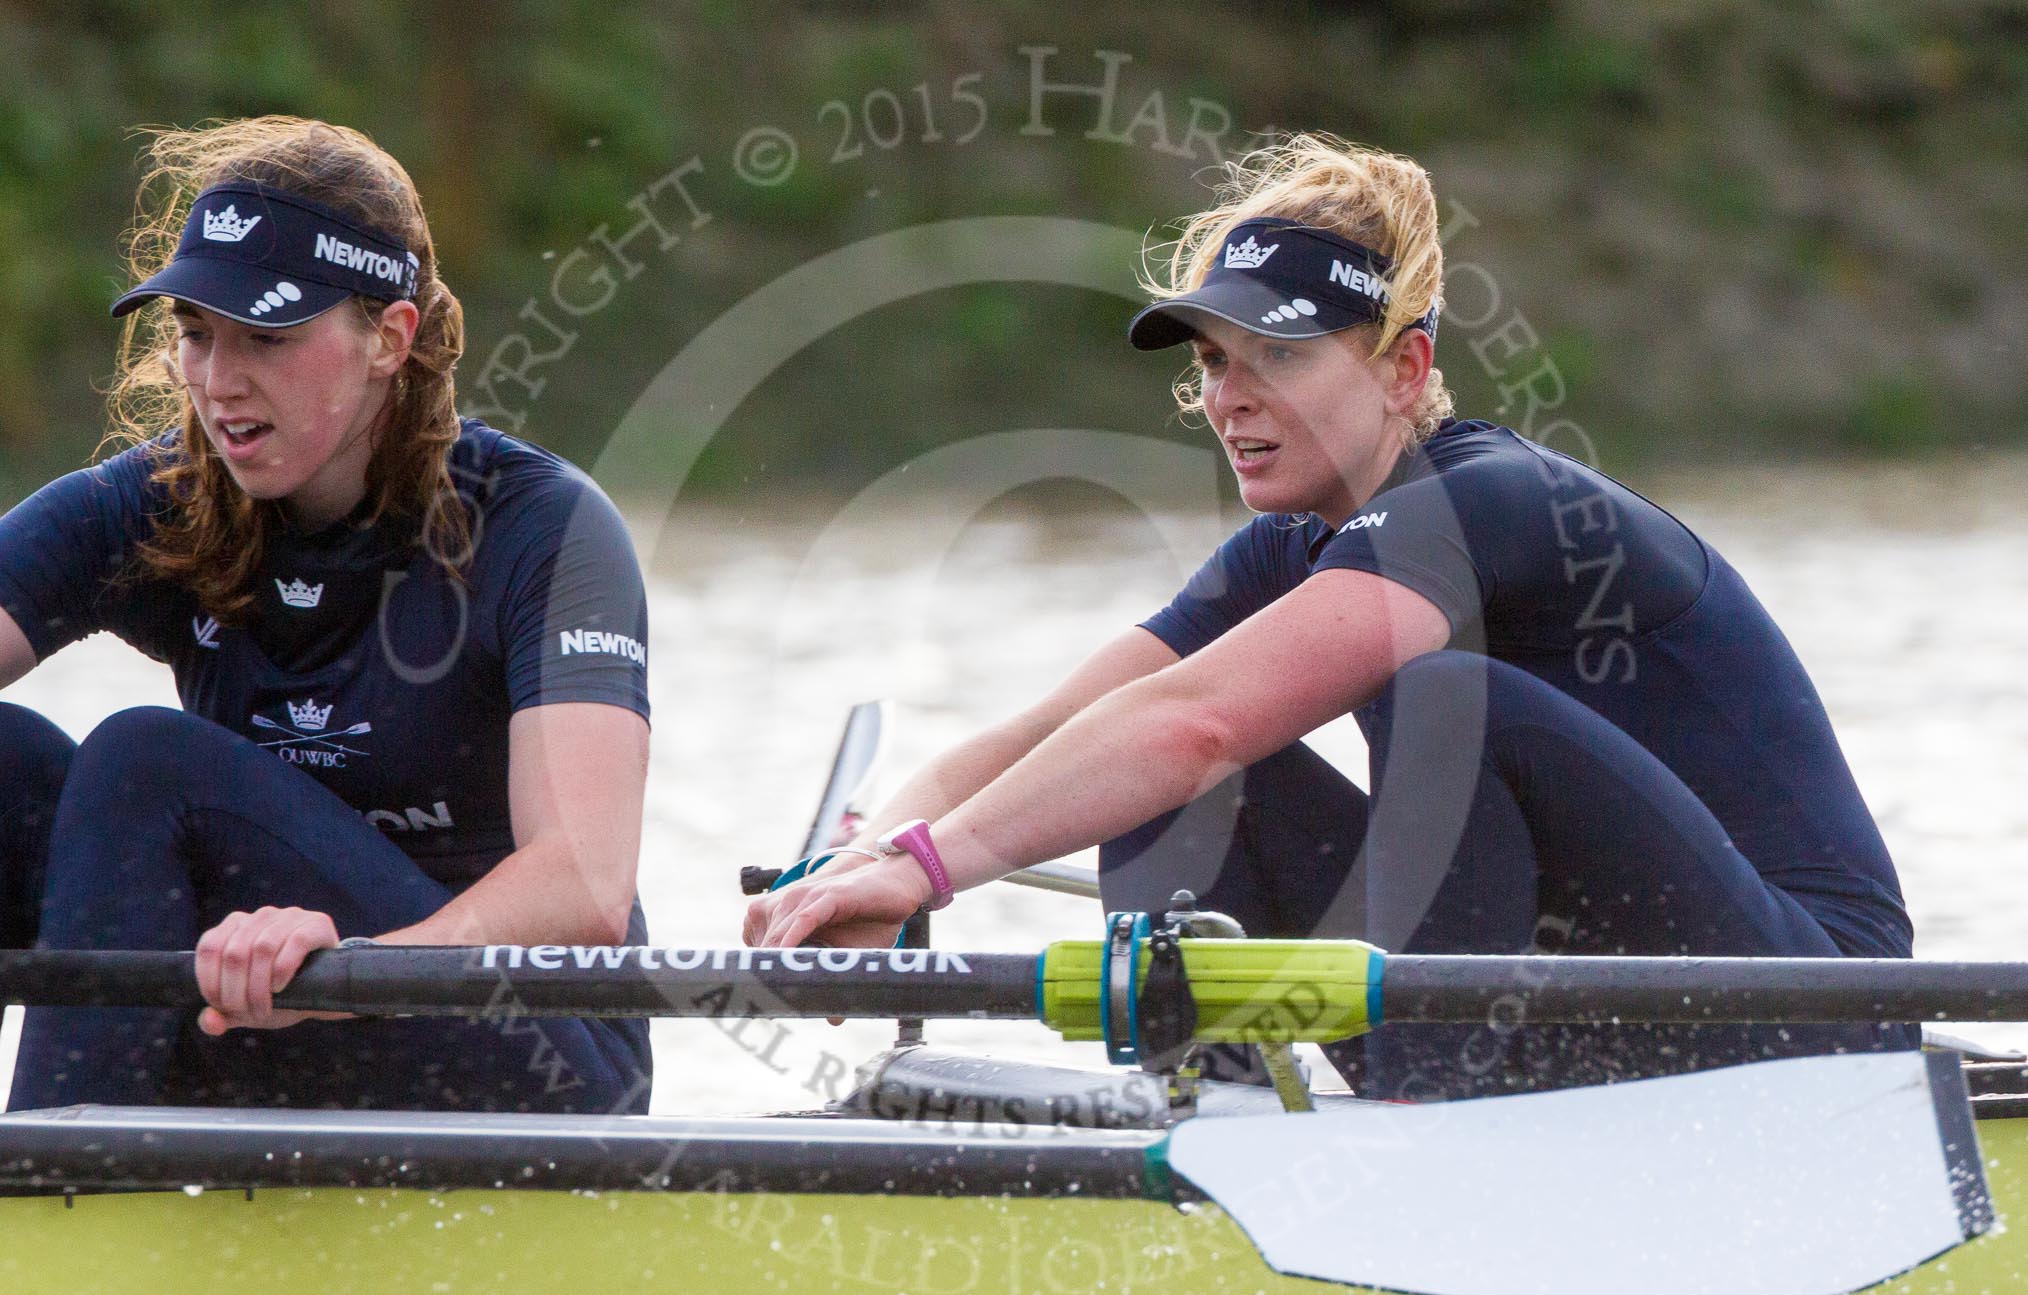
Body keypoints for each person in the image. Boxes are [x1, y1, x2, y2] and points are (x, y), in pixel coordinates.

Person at [744, 134, 1914, 1101]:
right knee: (1143, 766)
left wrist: (925, 868)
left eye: (1279, 354)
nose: (1229, 396)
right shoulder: (1293, 547)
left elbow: (1195, 720)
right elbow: (1056, 732)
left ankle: (1419, 1129)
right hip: (1575, 1011)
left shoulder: (1497, 503)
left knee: (1420, 695)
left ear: (1406, 371)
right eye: (1213, 359)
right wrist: (855, 869)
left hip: (1809, 1014)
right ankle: (1208, 1115)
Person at [0, 117, 653, 1113]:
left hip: (531, 1044)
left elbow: (586, 888)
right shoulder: (161, 504)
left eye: (265, 336)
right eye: (196, 335)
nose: (218, 381)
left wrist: (351, 970)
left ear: (389, 337)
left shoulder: (543, 528)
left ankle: (48, 1200)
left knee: (144, 760)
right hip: (262, 1004)